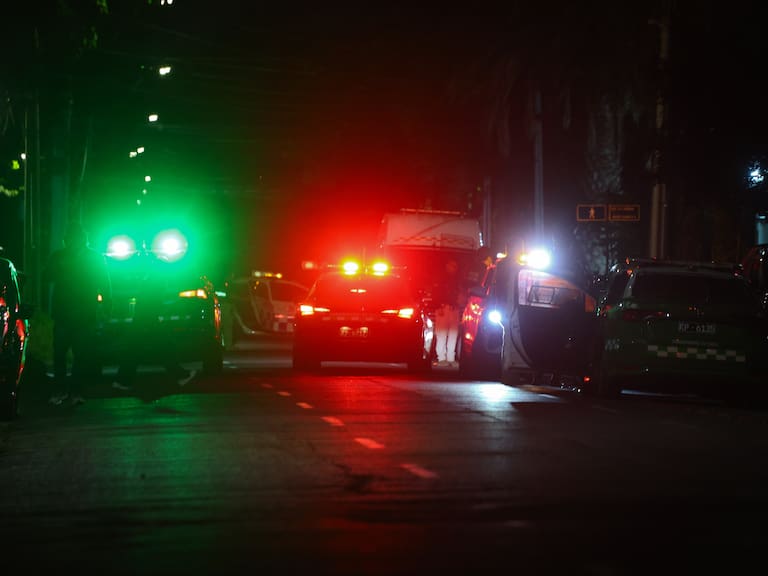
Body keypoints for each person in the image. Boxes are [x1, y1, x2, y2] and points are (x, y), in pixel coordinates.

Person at [44, 220, 111, 405]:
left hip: (65, 313)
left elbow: (46, 277)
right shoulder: (95, 258)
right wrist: (107, 306)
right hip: (84, 313)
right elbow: (105, 284)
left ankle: (61, 390)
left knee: (62, 355)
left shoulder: (59, 257)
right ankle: (75, 392)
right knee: (80, 356)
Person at [432, 259, 465, 368]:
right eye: (451, 265)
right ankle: (441, 358)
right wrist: (438, 306)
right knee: (442, 333)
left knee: (453, 334)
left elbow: (460, 294)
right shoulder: (441, 279)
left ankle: (450, 358)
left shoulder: (458, 280)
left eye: (455, 266)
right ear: (446, 266)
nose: (454, 268)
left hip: (454, 309)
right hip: (443, 308)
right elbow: (436, 294)